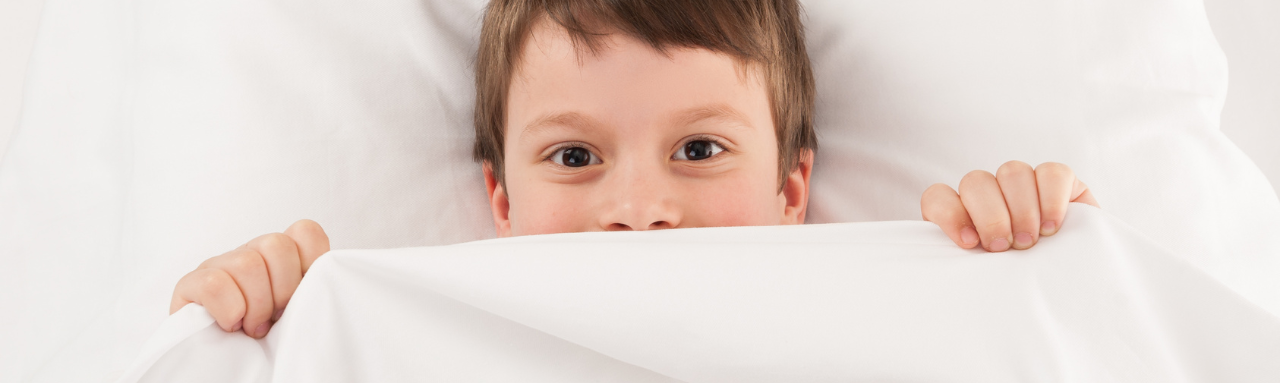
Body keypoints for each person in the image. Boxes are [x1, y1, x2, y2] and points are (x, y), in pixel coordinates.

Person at [169, 0, 1099, 339]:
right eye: (574, 157)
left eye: (700, 150)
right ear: (502, 200)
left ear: (791, 191)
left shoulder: (902, 314)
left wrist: (1039, 266)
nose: (641, 210)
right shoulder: (405, 336)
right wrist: (256, 329)